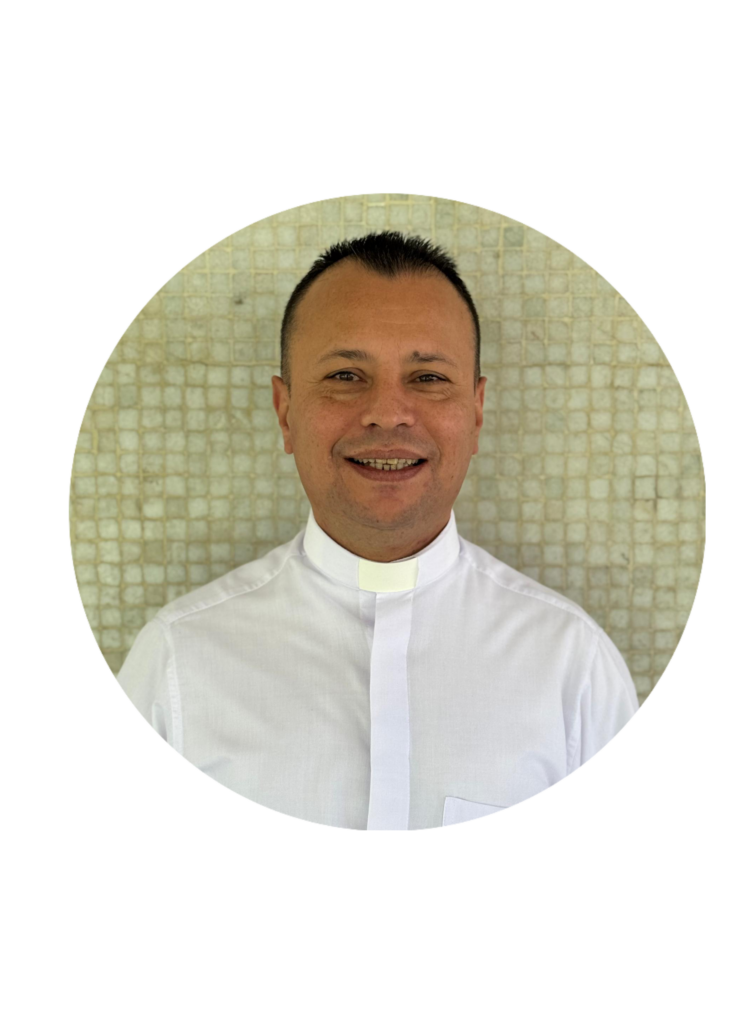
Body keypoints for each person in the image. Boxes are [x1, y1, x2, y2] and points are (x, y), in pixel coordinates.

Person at [116, 230, 639, 830]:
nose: (388, 413)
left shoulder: (574, 666)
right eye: (345, 375)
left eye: (428, 378)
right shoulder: (177, 661)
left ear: (476, 411)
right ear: (285, 412)